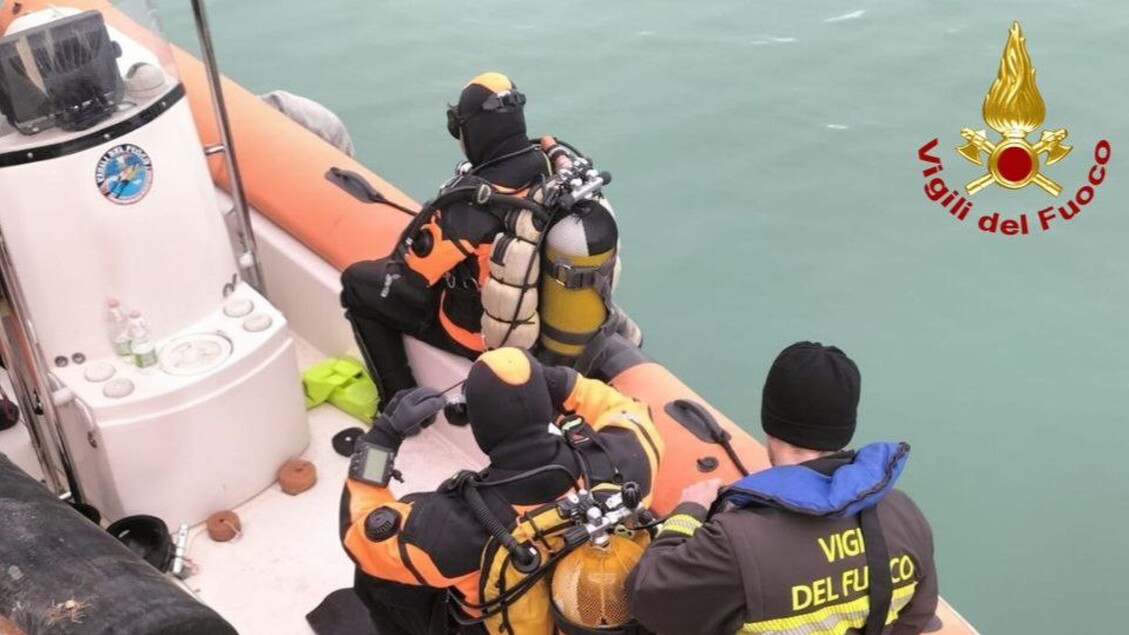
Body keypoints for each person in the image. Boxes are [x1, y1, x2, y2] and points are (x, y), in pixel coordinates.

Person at [339, 72, 639, 411]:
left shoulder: (470, 203)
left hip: (480, 337)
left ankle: (400, 400)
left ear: (471, 130)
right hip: (545, 319)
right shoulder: (553, 167)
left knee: (358, 285)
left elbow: (411, 276)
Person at [340, 347, 662, 634]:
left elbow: (359, 530)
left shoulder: (456, 525)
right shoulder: (626, 460)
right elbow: (625, 409)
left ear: (479, 427)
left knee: (374, 578)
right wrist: (551, 381)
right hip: (594, 607)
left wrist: (384, 436)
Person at [627, 342, 938, 635]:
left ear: (770, 424)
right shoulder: (903, 514)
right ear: (846, 427)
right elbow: (917, 615)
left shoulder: (734, 541)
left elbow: (647, 597)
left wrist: (688, 512)